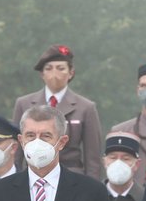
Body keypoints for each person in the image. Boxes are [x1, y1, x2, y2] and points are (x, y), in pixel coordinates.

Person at [12, 45, 104, 181]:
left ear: (71, 73)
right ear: (42, 74)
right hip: (33, 175)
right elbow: (17, 152)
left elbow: (93, 157)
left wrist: (92, 189)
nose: (54, 73)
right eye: (49, 68)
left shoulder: (86, 107)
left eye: (60, 68)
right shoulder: (24, 104)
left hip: (72, 178)